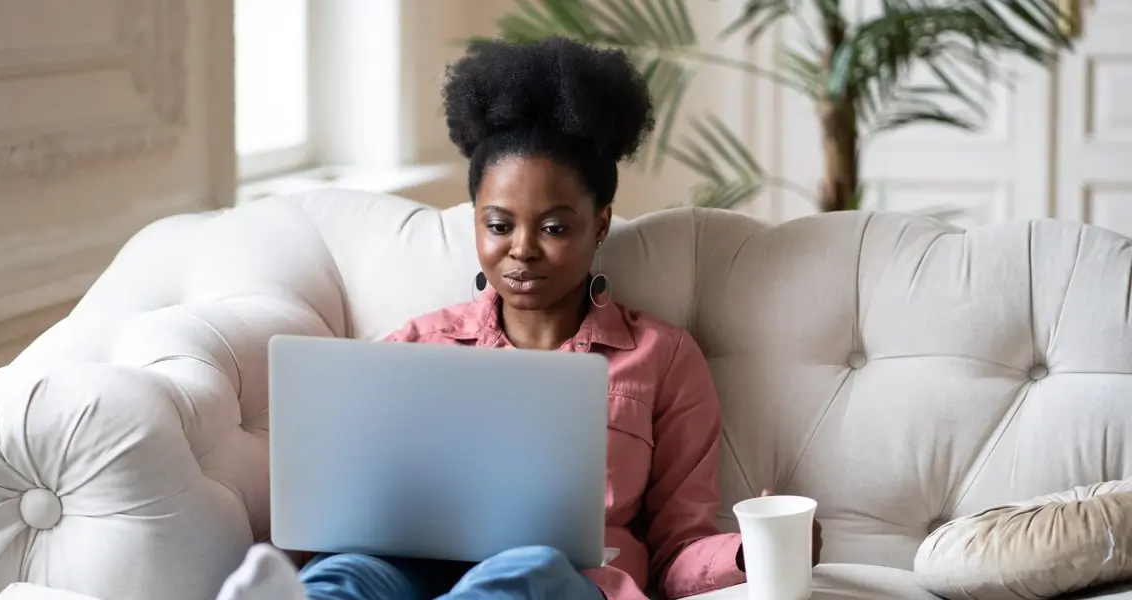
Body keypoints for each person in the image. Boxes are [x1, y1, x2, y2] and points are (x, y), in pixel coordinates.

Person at [217, 37, 822, 600]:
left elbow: (675, 549)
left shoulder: (660, 358)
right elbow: (347, 502)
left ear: (601, 224)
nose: (523, 250)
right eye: (499, 225)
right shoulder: (414, 346)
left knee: (523, 568)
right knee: (347, 572)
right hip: (412, 569)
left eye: (555, 228)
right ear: (475, 221)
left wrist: (754, 551)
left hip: (564, 579)